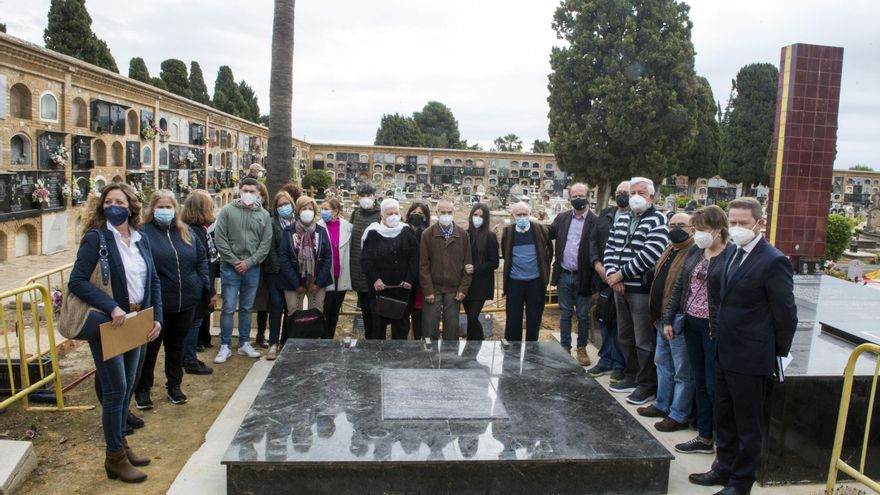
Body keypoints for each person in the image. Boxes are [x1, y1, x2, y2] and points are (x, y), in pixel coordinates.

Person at [688, 198, 797, 495]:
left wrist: (775, 352)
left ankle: (740, 482)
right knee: (725, 416)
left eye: (743, 223)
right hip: (725, 351)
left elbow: (785, 313)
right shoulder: (734, 253)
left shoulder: (773, 260)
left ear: (758, 223)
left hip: (752, 357)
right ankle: (723, 468)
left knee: (748, 425)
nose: (736, 228)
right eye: (732, 222)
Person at [68, 183, 162, 483]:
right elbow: (77, 281)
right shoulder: (97, 239)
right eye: (108, 202)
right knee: (115, 389)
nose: (113, 206)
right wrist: (111, 307)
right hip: (111, 324)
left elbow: (154, 281)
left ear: (131, 206)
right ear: (102, 207)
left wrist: (155, 317)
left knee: (128, 387)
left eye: (119, 201)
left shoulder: (140, 238)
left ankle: (122, 443)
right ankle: (114, 458)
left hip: (137, 320)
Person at [662, 206, 729, 453]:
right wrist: (668, 318)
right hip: (691, 323)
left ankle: (722, 440)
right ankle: (703, 437)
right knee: (699, 382)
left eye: (702, 229)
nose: (698, 234)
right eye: (696, 229)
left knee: (713, 385)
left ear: (718, 229)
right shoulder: (696, 252)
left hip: (714, 329)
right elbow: (680, 286)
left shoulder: (730, 255)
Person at [135, 190, 209, 408]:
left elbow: (201, 258)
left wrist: (201, 284)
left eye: (169, 207)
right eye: (161, 206)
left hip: (185, 301)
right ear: (152, 208)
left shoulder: (185, 231)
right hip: (158, 304)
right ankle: (143, 390)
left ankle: (174, 386)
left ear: (176, 209)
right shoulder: (143, 233)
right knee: (151, 349)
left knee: (176, 347)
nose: (165, 211)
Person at [603, 177, 669, 406]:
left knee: (643, 340)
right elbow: (610, 247)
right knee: (625, 336)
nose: (635, 197)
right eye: (632, 193)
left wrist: (621, 274)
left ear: (651, 196)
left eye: (641, 192)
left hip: (640, 290)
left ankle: (646, 385)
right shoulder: (622, 219)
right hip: (619, 288)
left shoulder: (658, 219)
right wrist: (613, 276)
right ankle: (631, 376)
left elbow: (650, 253)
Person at [639, 212, 695, 432]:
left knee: (682, 370)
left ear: (692, 228)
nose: (675, 229)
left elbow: (682, 289)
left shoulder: (693, 252)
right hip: (662, 317)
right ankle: (662, 404)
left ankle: (679, 414)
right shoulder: (670, 248)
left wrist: (671, 317)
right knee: (662, 363)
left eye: (681, 225)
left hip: (677, 318)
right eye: (671, 225)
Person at [213, 177, 273, 364]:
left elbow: (265, 243)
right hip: (230, 267)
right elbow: (220, 238)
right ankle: (225, 345)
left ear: (258, 194)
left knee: (247, 307)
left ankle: (244, 343)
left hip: (252, 268)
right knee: (228, 307)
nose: (248, 194)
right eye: (245, 190)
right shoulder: (227, 211)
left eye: (252, 191)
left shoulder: (263, 215)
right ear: (239, 190)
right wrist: (233, 260)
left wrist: (249, 262)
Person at [548, 183, 598, 364]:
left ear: (588, 196)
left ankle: (582, 348)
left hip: (584, 276)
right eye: (574, 196)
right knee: (565, 313)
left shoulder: (595, 221)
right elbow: (548, 233)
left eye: (581, 195)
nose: (578, 199)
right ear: (570, 198)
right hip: (563, 274)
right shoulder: (562, 218)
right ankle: (565, 347)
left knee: (583, 315)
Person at [587, 181, 630, 381]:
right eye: (619, 192)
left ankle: (620, 364)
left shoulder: (638, 217)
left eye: (626, 192)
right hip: (603, 278)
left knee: (621, 324)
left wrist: (618, 274)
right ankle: (604, 360)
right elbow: (593, 241)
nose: (622, 195)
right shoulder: (606, 214)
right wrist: (597, 263)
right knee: (604, 319)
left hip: (625, 280)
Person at [360, 198, 419, 339]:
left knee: (400, 327)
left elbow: (414, 257)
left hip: (402, 288)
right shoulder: (373, 232)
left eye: (395, 213)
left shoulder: (406, 232)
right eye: (389, 213)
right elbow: (366, 260)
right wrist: (375, 279)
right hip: (380, 288)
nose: (393, 216)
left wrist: (410, 279)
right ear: (382, 215)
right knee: (378, 327)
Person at [419, 198, 472, 340]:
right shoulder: (427, 235)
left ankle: (450, 360)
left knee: (452, 329)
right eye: (443, 212)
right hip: (433, 288)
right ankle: (430, 358)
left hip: (454, 289)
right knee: (430, 327)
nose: (446, 215)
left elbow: (468, 265)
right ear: (437, 212)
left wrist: (463, 289)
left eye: (449, 212)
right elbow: (423, 266)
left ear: (454, 212)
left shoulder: (462, 235)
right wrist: (428, 290)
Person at [501, 202, 552, 342]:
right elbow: (506, 254)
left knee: (534, 319)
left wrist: (544, 277)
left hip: (535, 282)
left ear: (530, 214)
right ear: (513, 215)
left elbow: (548, 254)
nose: (522, 217)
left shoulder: (541, 230)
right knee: (513, 319)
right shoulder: (508, 232)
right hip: (514, 282)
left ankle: (532, 350)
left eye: (525, 214)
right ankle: (512, 351)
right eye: (519, 215)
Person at [181, 190, 218, 375]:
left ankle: (190, 357)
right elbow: (201, 264)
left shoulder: (195, 229)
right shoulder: (195, 232)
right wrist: (210, 291)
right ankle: (189, 360)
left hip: (199, 286)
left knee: (194, 323)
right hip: (198, 288)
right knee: (194, 324)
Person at [279, 195, 332, 317]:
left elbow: (327, 258)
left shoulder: (321, 231)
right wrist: (296, 284)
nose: (307, 211)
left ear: (314, 211)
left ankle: (314, 337)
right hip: (293, 283)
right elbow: (284, 258)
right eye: (304, 208)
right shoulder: (288, 232)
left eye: (310, 208)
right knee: (294, 315)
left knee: (317, 314)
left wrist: (318, 283)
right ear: (298, 211)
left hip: (317, 283)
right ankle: (294, 336)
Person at [263, 190, 295, 359]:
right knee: (276, 305)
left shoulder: (298, 222)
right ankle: (273, 343)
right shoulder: (272, 222)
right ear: (275, 208)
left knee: (291, 307)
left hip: (293, 273)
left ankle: (286, 340)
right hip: (275, 271)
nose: (284, 207)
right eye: (280, 205)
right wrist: (280, 267)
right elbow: (269, 246)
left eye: (286, 203)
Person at [462, 203, 499, 340]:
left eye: (481, 216)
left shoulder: (490, 237)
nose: (477, 218)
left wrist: (476, 269)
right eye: (475, 215)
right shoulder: (464, 235)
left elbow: (494, 262)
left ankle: (478, 344)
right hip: (466, 284)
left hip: (481, 285)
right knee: (470, 319)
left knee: (472, 318)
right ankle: (472, 346)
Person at [349, 183, 381, 338]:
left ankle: (376, 338)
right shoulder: (356, 214)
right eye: (362, 196)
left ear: (374, 196)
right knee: (365, 309)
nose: (366, 199)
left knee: (376, 309)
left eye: (369, 195)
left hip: (376, 271)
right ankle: (369, 338)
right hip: (357, 269)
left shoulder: (382, 214)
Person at [318, 197, 352, 339]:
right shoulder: (318, 227)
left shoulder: (347, 227)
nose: (323, 212)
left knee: (335, 311)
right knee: (324, 310)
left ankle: (330, 338)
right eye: (322, 209)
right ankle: (323, 338)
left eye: (326, 209)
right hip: (326, 277)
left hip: (341, 276)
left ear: (336, 211)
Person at [404, 202, 431, 339]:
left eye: (421, 213)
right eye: (414, 212)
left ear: (426, 217)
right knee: (403, 316)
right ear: (408, 214)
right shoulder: (401, 230)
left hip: (420, 282)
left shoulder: (429, 234)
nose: (417, 215)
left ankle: (418, 343)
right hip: (404, 279)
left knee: (418, 315)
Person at [254, 182, 273, 349]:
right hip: (247, 263)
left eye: (258, 194)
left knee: (263, 303)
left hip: (265, 264)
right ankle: (245, 337)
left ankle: (261, 334)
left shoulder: (268, 214)